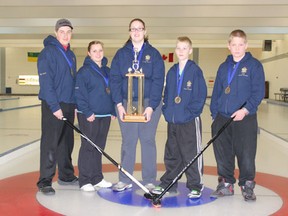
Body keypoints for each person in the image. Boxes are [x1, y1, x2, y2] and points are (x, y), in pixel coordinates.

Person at [110, 18, 165, 192]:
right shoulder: (121, 54)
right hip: (127, 103)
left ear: (145, 31)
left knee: (148, 140)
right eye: (133, 29)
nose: (136, 32)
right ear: (129, 32)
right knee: (128, 141)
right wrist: (119, 105)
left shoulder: (154, 54)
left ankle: (149, 179)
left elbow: (158, 81)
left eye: (139, 29)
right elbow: (114, 80)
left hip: (149, 103)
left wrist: (151, 107)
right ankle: (125, 179)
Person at [210, 29, 265, 201]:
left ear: (246, 45)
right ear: (229, 46)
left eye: (241, 44)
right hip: (223, 118)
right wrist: (215, 114)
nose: (237, 48)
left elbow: (258, 93)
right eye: (234, 44)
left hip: (245, 118)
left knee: (246, 154)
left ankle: (247, 186)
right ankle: (226, 184)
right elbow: (218, 92)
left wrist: (245, 110)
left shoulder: (254, 65)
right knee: (223, 153)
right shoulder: (223, 66)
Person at [151, 36, 207, 198]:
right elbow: (168, 94)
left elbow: (200, 95)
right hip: (173, 121)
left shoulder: (195, 71)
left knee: (191, 153)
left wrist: (191, 113)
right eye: (178, 48)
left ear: (190, 50)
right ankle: (169, 182)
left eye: (184, 48)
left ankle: (195, 185)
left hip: (189, 121)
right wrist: (167, 112)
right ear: (175, 50)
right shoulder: (172, 71)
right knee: (172, 153)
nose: (181, 51)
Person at [37, 18, 78, 195]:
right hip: (53, 104)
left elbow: (72, 81)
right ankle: (45, 180)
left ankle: (66, 175)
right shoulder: (48, 53)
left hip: (68, 104)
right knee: (50, 142)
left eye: (68, 32)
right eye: (62, 32)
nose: (65, 35)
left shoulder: (71, 54)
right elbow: (46, 82)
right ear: (56, 33)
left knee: (66, 142)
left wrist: (74, 104)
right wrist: (54, 106)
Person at [75, 41, 116, 192]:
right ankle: (84, 179)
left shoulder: (108, 71)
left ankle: (97, 178)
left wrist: (112, 110)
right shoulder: (84, 71)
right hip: (90, 115)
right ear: (89, 53)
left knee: (99, 148)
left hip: (105, 114)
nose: (98, 53)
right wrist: (87, 112)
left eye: (100, 50)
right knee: (88, 147)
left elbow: (112, 92)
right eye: (94, 51)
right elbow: (79, 94)